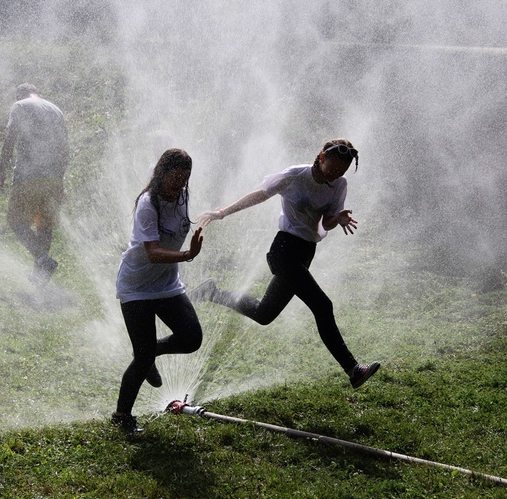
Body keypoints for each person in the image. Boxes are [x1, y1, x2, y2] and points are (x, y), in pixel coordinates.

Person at [195, 139, 380, 389]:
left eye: (342, 172)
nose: (337, 175)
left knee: (264, 314)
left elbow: (325, 224)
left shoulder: (339, 185)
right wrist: (222, 213)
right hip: (284, 250)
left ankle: (212, 292)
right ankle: (353, 369)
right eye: (334, 168)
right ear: (322, 158)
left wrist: (337, 217)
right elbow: (260, 195)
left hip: (305, 252)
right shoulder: (295, 176)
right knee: (323, 306)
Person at [112, 148, 205, 434]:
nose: (179, 184)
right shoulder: (147, 204)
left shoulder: (182, 197)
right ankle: (122, 416)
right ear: (161, 174)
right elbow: (152, 253)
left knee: (191, 338)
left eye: (184, 178)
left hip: (166, 284)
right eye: (174, 177)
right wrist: (188, 254)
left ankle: (149, 353)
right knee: (142, 359)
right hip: (137, 286)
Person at [0, 83, 69, 285]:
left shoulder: (20, 105)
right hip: (54, 176)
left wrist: (1, 173)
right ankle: (41, 273)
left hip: (28, 175)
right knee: (44, 225)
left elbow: (10, 141)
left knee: (16, 221)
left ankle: (43, 260)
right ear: (38, 93)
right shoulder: (55, 109)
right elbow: (65, 147)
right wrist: (60, 177)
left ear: (20, 94)